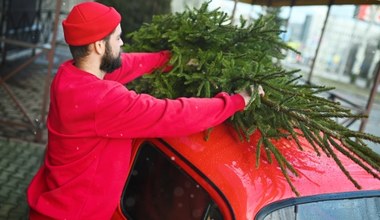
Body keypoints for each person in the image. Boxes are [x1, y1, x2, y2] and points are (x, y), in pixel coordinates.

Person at [27, 2, 257, 219]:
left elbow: (125, 65)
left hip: (57, 206)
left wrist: (168, 60)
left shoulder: (69, 76)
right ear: (98, 45)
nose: (122, 43)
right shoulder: (104, 101)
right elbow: (173, 114)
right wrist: (236, 101)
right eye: (117, 38)